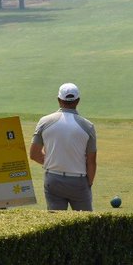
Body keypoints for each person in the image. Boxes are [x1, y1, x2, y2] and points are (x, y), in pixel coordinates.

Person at [29, 83, 97, 211]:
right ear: (78, 101)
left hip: (53, 179)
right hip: (79, 181)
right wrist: (89, 183)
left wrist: (53, 163)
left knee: (56, 224)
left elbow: (34, 154)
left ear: (59, 100)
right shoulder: (88, 126)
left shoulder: (44, 121)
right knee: (85, 224)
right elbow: (91, 161)